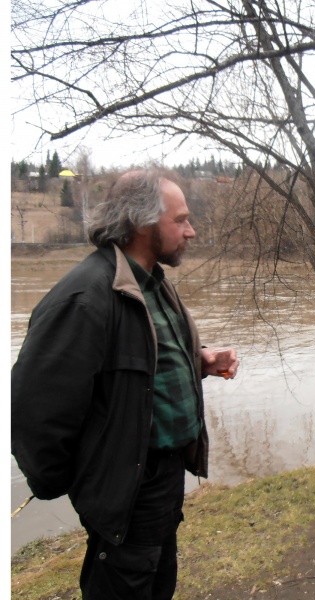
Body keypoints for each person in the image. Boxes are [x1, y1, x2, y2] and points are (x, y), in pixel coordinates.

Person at [12, 169, 240, 600]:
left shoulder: (151, 283)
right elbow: (33, 410)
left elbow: (139, 356)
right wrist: (86, 482)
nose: (191, 231)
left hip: (163, 479)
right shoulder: (86, 297)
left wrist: (201, 359)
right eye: (181, 220)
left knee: (157, 583)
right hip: (127, 488)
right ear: (142, 223)